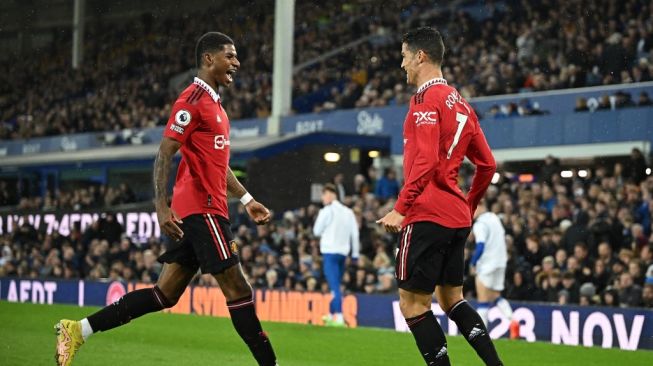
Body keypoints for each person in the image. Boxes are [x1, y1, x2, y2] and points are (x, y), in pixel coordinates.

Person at [55, 32, 279, 366]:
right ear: (208, 59)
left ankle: (79, 330)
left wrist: (246, 198)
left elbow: (220, 165)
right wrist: (161, 207)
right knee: (239, 291)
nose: (237, 62)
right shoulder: (191, 101)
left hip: (207, 209)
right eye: (229, 56)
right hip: (202, 211)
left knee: (165, 294)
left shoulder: (215, 105)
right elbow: (164, 153)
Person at [377, 27, 501, 366]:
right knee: (452, 300)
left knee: (413, 305)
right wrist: (468, 207)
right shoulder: (462, 103)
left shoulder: (424, 100)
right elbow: (487, 166)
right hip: (456, 218)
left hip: (426, 214)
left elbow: (428, 160)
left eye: (404, 56)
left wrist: (401, 208)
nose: (402, 65)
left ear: (421, 56)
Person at [313, 183, 360, 326]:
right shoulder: (349, 212)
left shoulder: (326, 211)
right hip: (343, 254)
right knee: (336, 285)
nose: (322, 198)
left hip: (330, 253)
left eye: (323, 195)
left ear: (329, 195)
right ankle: (330, 314)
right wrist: (355, 254)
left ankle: (339, 317)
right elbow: (355, 234)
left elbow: (316, 231)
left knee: (334, 287)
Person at [471, 201, 514, 328]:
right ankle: (513, 320)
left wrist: (472, 263)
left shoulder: (480, 224)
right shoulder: (495, 218)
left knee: (482, 298)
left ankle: (481, 331)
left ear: (481, 206)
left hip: (487, 264)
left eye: (473, 207)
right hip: (500, 262)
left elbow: (480, 246)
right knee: (495, 295)